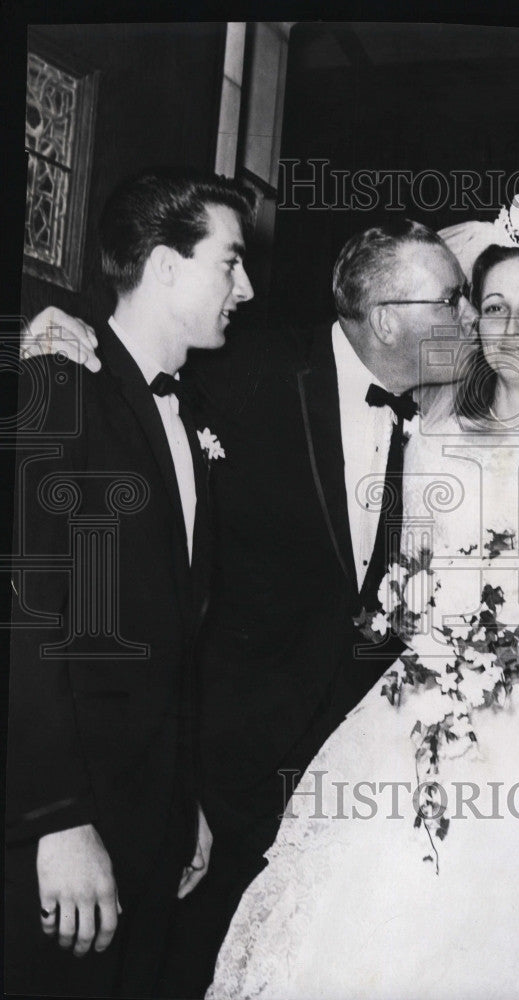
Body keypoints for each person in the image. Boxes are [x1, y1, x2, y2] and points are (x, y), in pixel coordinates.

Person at [207, 236, 519, 999]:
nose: (514, 326)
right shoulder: (431, 442)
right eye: (492, 306)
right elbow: (409, 587)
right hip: (439, 711)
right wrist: (448, 635)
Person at [19, 218, 479, 996]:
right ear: (389, 317)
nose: (470, 318)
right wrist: (46, 336)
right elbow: (128, 379)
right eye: (454, 299)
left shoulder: (441, 416)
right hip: (208, 785)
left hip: (340, 795)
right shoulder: (236, 370)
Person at [6, 169, 254, 997]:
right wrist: (56, 820)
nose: (245, 288)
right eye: (231, 261)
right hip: (72, 826)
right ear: (167, 265)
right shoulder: (58, 384)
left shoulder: (200, 410)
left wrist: (188, 801)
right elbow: (28, 616)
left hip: (159, 819)